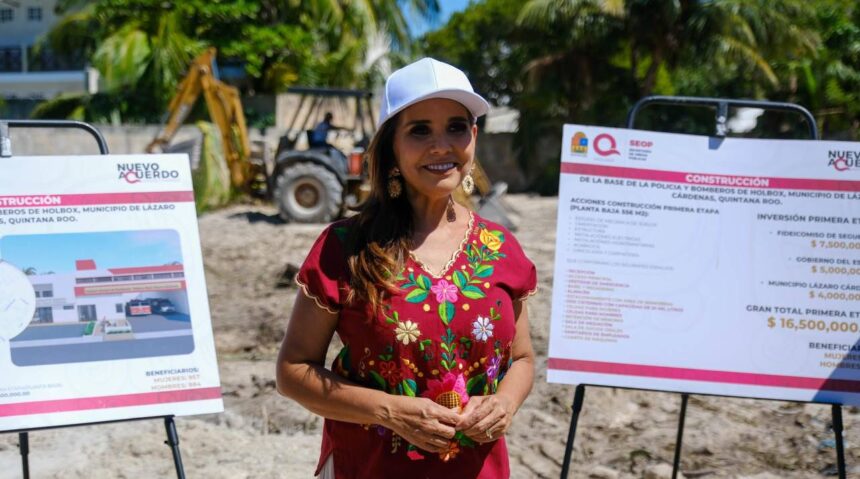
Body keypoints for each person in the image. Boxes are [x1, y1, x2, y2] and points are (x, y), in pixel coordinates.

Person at [276, 58, 538, 478]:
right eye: (420, 130)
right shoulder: (346, 248)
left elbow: (523, 359)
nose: (441, 145)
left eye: (456, 126)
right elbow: (293, 371)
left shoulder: (501, 247)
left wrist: (504, 403)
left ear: (473, 136)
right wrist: (390, 412)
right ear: (391, 147)